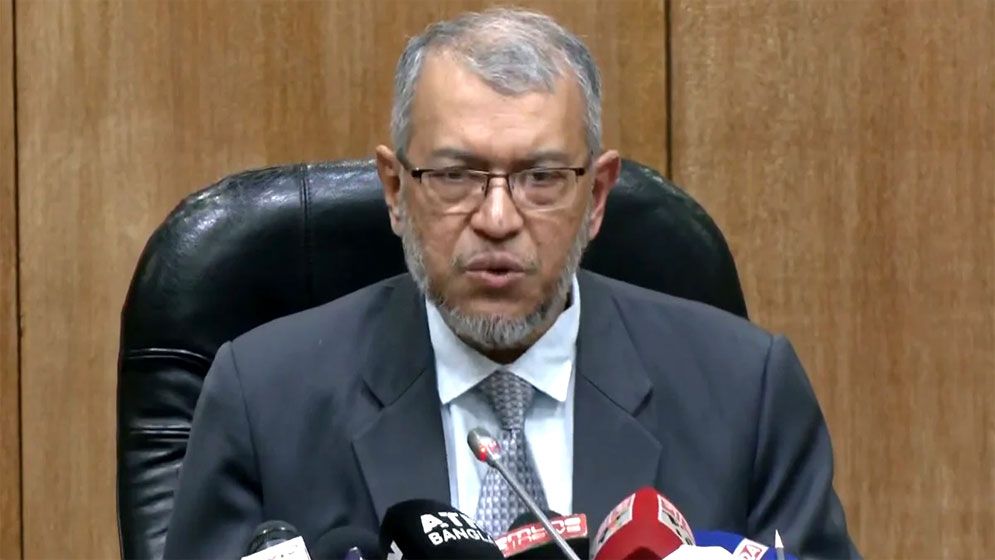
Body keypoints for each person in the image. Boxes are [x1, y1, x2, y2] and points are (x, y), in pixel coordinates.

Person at [163, 8, 860, 559]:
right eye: (455, 176)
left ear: (596, 197)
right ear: (396, 190)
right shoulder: (264, 398)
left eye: (541, 178)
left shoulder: (746, 392)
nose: (497, 219)